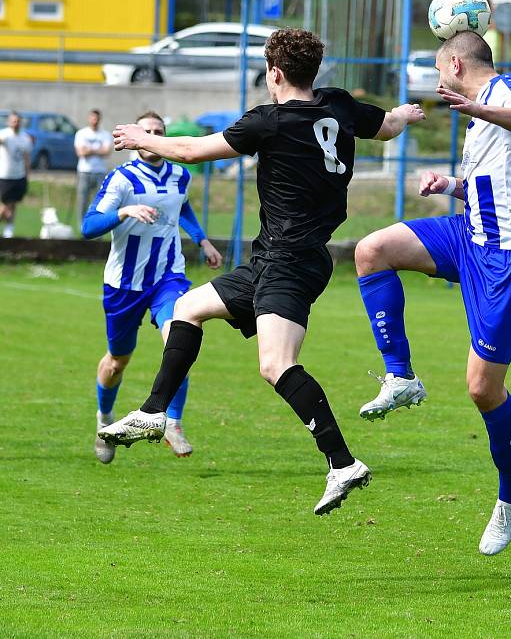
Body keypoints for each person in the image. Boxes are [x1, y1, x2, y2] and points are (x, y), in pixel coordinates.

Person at [98, 28, 425, 514]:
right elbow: (389, 127)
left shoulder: (269, 120)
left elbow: (191, 151)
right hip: (284, 257)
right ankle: (153, 411)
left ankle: (342, 462)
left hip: (289, 260)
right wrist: (407, 112)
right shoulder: (338, 104)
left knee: (276, 365)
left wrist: (141, 138)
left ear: (274, 74)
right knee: (188, 308)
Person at [354, 31, 511, 555]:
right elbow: (503, 185)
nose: (438, 82)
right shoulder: (478, 112)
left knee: (483, 389)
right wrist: (450, 186)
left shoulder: (508, 90)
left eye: (440, 70)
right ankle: (400, 376)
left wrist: (480, 111)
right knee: (371, 250)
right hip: (470, 232)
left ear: (457, 65)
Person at [82, 110, 223, 464]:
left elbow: (183, 207)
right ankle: (104, 420)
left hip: (167, 276)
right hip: (125, 284)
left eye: (158, 131)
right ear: (133, 136)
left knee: (179, 341)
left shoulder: (180, 173)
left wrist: (202, 240)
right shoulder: (121, 179)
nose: (153, 136)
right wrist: (125, 212)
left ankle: (172, 422)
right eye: (146, 131)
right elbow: (88, 226)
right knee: (116, 362)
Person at [74, 109, 113, 230]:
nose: (94, 121)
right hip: (84, 171)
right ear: (89, 118)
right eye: (92, 118)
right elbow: (80, 152)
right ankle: (82, 226)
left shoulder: (105, 134)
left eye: (96, 118)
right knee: (82, 201)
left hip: (100, 171)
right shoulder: (81, 133)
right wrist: (97, 150)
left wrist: (89, 150)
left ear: (99, 119)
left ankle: (97, 226)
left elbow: (106, 152)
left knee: (99, 202)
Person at [0, 111, 33, 238]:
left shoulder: (25, 138)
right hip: (4, 175)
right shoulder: (4, 135)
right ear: (9, 122)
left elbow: (26, 157)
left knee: (13, 205)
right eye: (13, 121)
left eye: (17, 121)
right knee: (4, 207)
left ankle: (9, 231)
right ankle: (7, 225)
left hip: (19, 176)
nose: (15, 123)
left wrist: (27, 174)